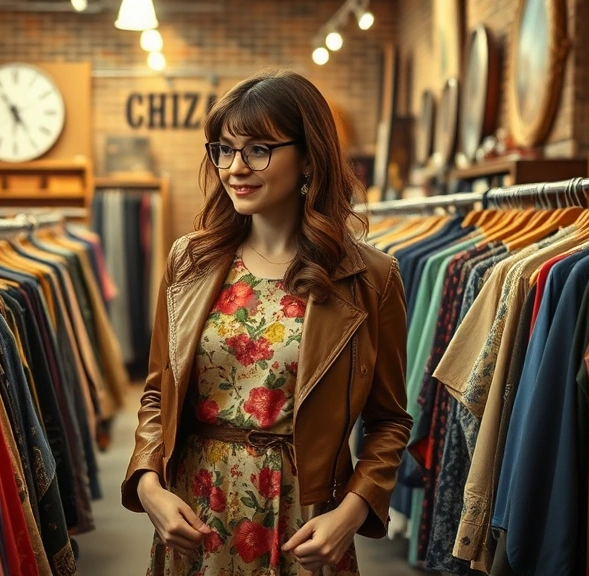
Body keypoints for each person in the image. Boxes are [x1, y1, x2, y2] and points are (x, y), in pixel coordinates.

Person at [122, 70, 411, 575]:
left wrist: (352, 511)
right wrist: (149, 485)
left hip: (306, 517)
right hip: (194, 510)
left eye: (258, 149)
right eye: (224, 149)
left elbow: (389, 421)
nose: (235, 167)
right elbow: (156, 394)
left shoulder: (369, 277)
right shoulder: (191, 260)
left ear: (307, 157)